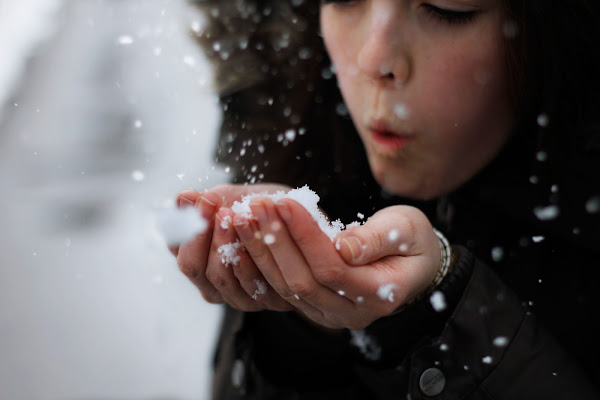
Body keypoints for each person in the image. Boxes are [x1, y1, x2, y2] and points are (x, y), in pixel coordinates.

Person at [170, 0, 600, 398]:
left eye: (445, 8)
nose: (373, 58)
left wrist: (439, 310)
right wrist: (299, 322)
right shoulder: (301, 137)